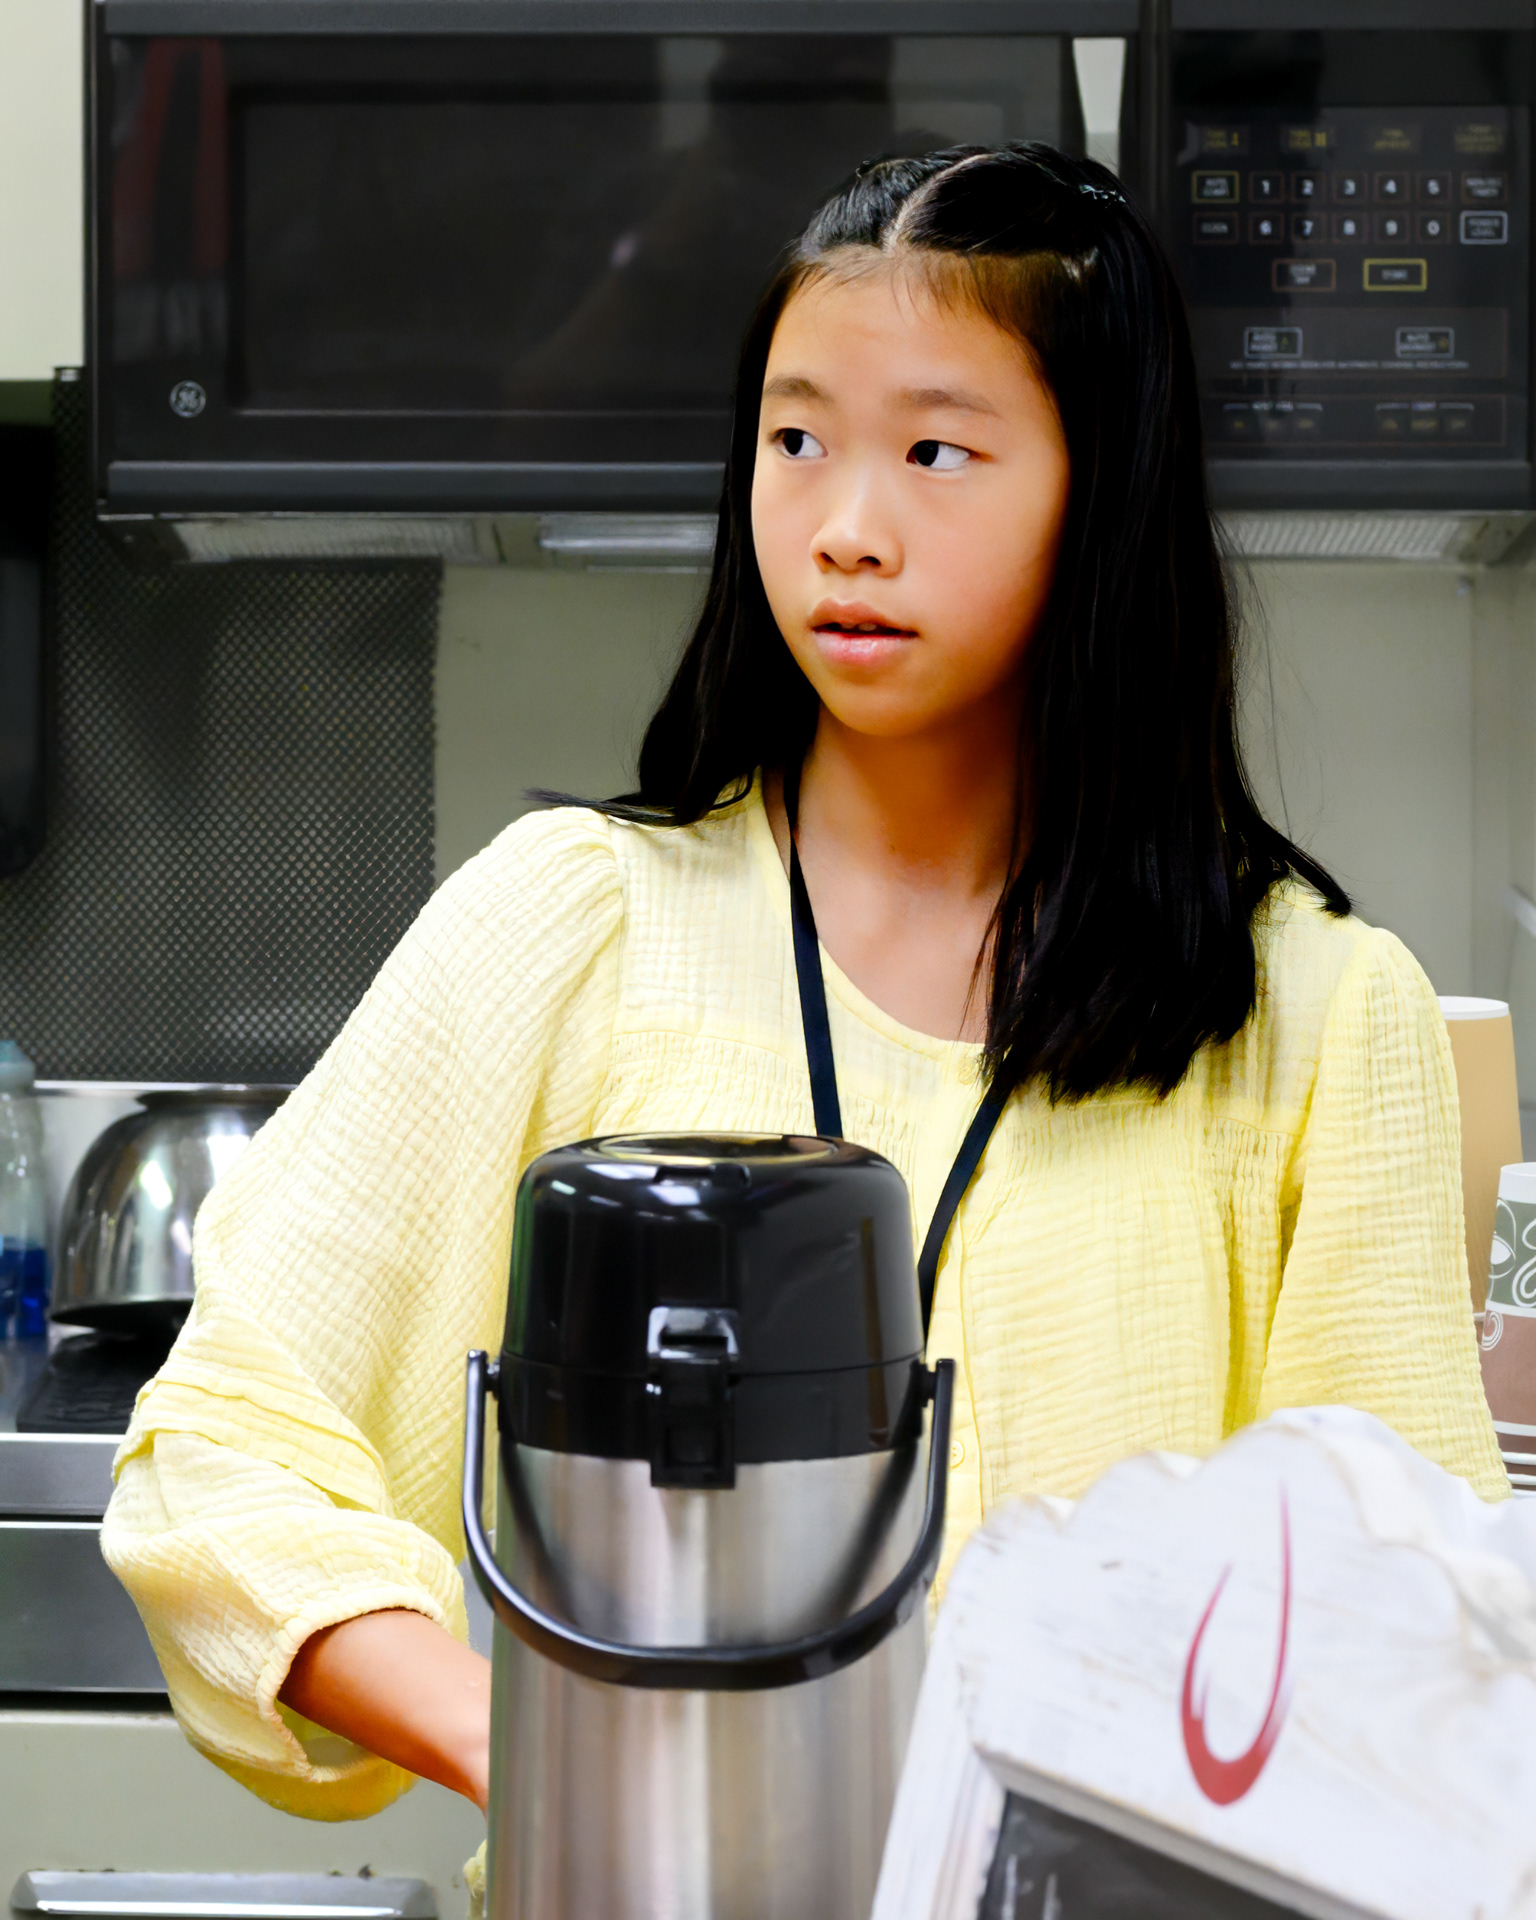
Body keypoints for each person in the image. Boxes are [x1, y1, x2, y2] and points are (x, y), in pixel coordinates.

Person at [102, 143, 1505, 1828]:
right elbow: (221, 1453)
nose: (844, 530)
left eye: (936, 451)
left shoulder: (1315, 1017)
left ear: (1104, 490)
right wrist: (546, 1760)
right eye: (796, 440)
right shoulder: (573, 928)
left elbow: (1406, 1647)